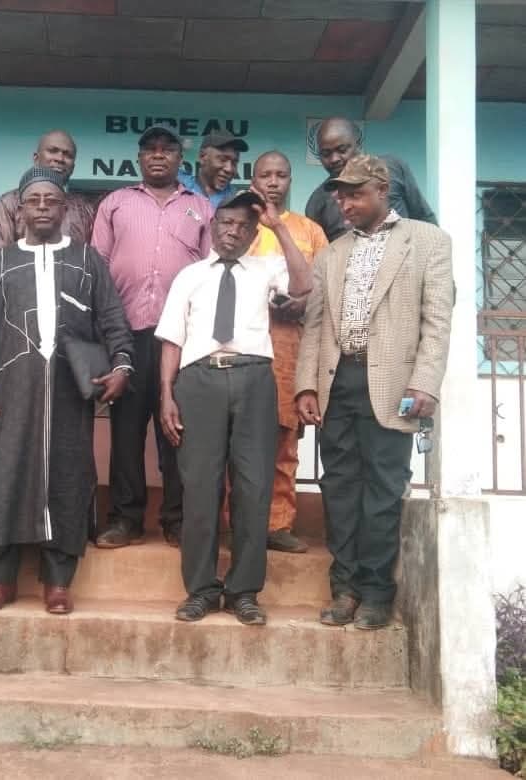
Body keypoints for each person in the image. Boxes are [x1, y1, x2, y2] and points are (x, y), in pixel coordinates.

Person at [0, 167, 134, 615]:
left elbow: (113, 317)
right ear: (19, 209)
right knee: (3, 475)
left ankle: (58, 581)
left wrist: (121, 364)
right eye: (33, 200)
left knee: (67, 473)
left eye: (51, 201)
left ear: (65, 209)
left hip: (67, 394)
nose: (42, 207)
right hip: (8, 391)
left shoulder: (86, 260)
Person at [295, 155, 453, 630]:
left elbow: (438, 319)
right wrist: (306, 384)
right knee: (339, 488)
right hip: (337, 383)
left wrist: (425, 382)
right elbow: (316, 323)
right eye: (340, 195)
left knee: (383, 491)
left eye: (355, 194)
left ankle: (377, 593)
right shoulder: (332, 252)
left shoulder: (428, 242)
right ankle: (343, 589)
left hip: (395, 386)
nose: (344, 203)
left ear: (383, 190)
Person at [157, 190, 313, 625]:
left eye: (243, 226)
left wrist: (278, 226)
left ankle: (244, 591)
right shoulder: (188, 276)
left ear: (252, 233)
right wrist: (167, 395)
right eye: (226, 224)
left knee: (253, 485)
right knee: (201, 487)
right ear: (212, 227)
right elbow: (172, 339)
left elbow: (304, 286)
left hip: (253, 380)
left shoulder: (267, 270)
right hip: (199, 381)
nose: (233, 231)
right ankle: (201, 589)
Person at [92, 123, 214, 549]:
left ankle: (177, 518)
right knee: (126, 428)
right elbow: (97, 268)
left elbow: (214, 272)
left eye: (168, 149)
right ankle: (125, 518)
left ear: (182, 160)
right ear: (140, 158)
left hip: (181, 336)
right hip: (125, 331)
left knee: (177, 428)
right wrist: (103, 332)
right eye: (150, 150)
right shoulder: (115, 203)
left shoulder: (201, 208)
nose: (158, 155)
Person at [249, 151, 328, 554]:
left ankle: (278, 525)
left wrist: (302, 303)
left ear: (291, 179)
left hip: (288, 348)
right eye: (266, 175)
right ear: (253, 179)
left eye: (281, 175)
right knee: (239, 439)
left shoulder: (309, 231)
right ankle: (237, 522)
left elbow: (323, 289)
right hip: (244, 345)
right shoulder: (239, 224)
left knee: (284, 441)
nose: (274, 182)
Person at [305, 117, 437, 242]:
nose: (335, 159)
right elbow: (319, 251)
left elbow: (424, 218)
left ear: (358, 144)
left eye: (342, 150)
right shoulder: (317, 202)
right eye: (326, 154)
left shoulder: (392, 168)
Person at [0, 130, 94, 254]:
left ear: (73, 167)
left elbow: (90, 261)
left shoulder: (84, 210)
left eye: (67, 155)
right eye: (53, 151)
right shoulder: (8, 204)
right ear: (36, 159)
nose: (60, 158)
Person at [178, 130, 248, 207]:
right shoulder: (178, 183)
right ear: (202, 156)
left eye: (234, 163)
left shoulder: (236, 200)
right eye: (223, 160)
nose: (229, 169)